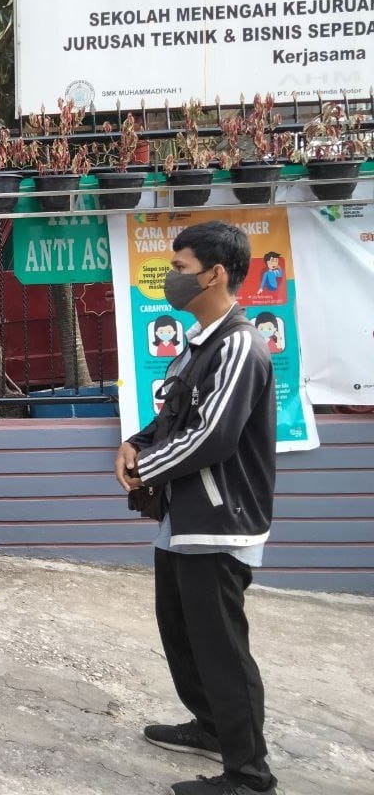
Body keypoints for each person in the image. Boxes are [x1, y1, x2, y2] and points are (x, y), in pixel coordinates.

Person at [115, 221, 278, 795]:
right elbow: (173, 418)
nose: (172, 279)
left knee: (222, 647)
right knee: (179, 630)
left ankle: (250, 776)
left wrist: (145, 466)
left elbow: (213, 437)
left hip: (220, 520)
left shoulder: (240, 343)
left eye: (180, 268)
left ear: (214, 273)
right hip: (183, 518)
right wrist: (136, 441)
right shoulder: (199, 345)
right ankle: (212, 727)